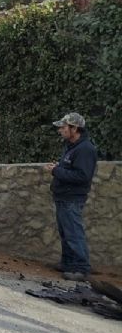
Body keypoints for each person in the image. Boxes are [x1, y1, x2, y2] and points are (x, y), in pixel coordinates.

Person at [45, 113, 97, 282]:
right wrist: (59, 168)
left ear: (74, 129)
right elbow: (71, 169)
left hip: (72, 198)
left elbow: (82, 176)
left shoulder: (85, 149)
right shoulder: (72, 146)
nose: (60, 130)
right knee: (66, 232)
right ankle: (68, 263)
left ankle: (81, 268)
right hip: (64, 196)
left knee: (74, 233)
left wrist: (56, 171)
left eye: (63, 127)